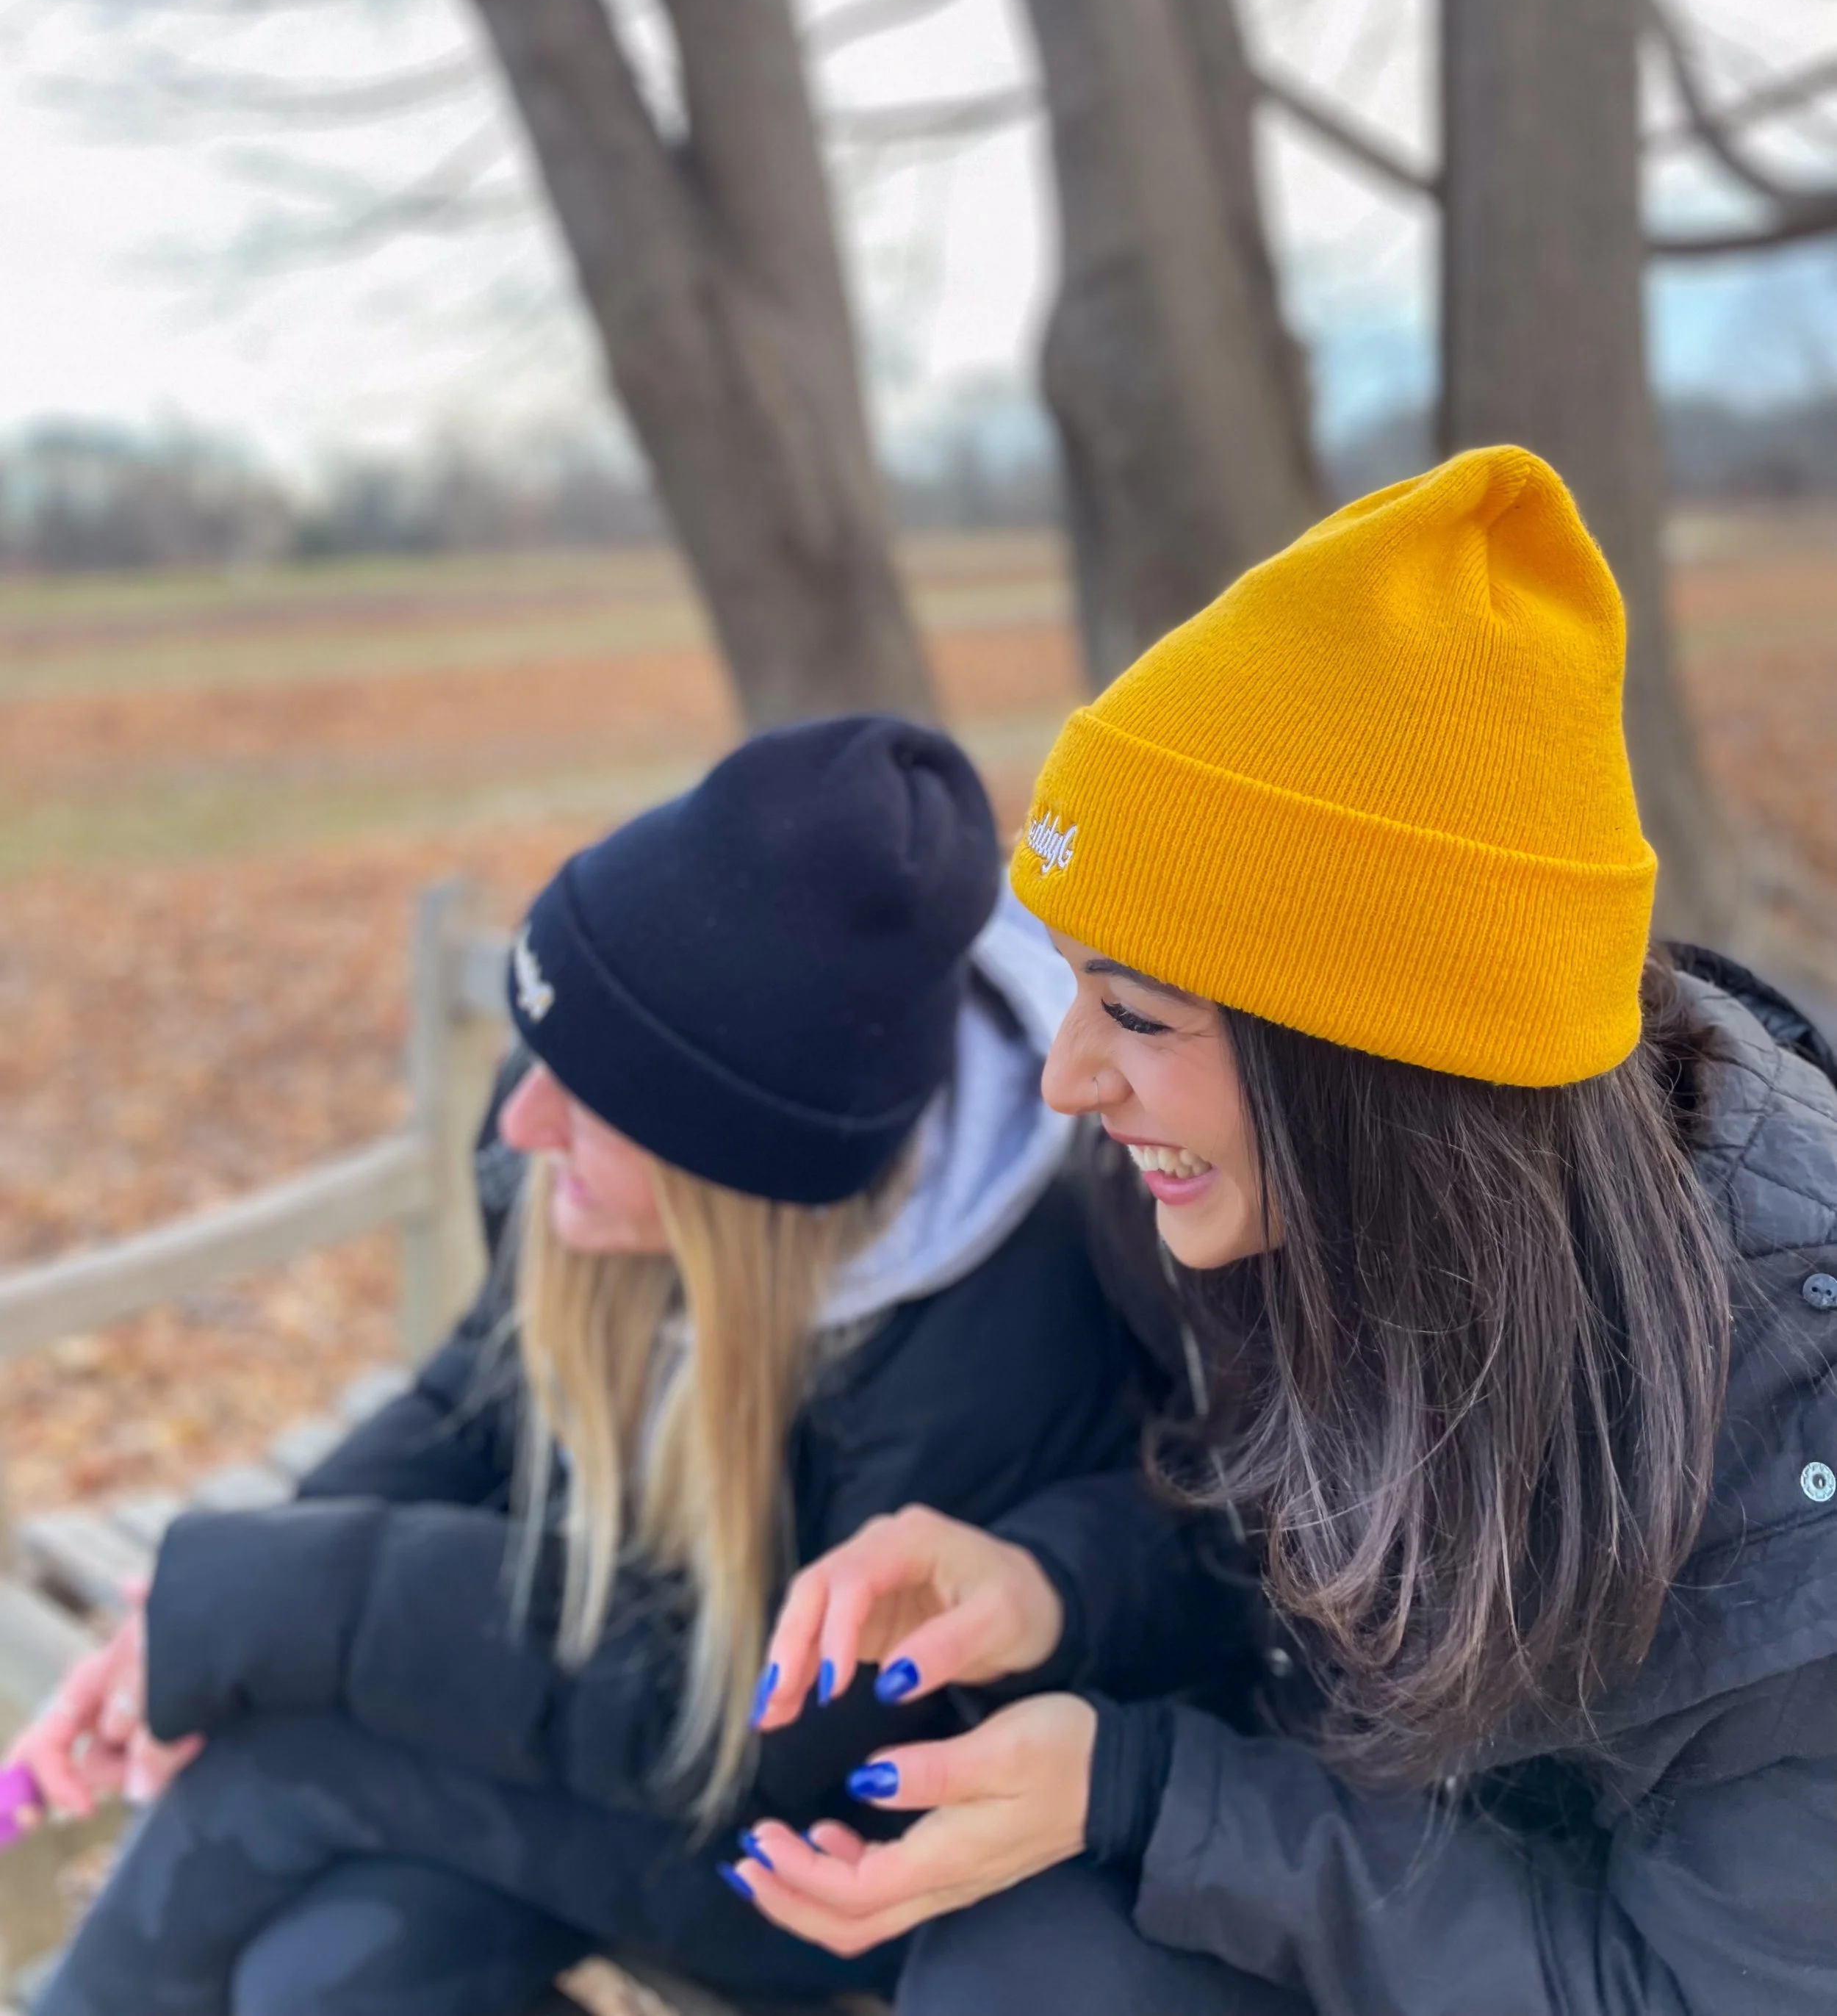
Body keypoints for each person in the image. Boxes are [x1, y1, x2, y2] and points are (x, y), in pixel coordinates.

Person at [727, 448, 1837, 2015]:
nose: (1064, 1079)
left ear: (1373, 1076)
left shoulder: (1796, 1461)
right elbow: (1317, 1545)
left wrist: (1153, 1793)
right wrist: (1057, 1583)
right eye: (1071, 989)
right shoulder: (1302, 1212)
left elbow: (1671, 1991)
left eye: (1133, 1011)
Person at [12, 715, 1148, 2015]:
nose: (519, 1121)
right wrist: (189, 1623)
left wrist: (284, 1609)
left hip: (816, 1847)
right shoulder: (583, 1107)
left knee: (279, 1782)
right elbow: (479, 1404)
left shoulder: (990, 1338)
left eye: (591, 1112)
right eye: (539, 1054)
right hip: (600, 1729)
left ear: (743, 1188)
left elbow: (766, 1737)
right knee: (327, 1980)